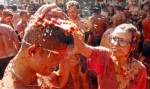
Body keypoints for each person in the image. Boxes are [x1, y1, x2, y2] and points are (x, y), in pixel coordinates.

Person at [0, 4, 74, 88]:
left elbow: (58, 81)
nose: (62, 60)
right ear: (32, 52)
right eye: (60, 54)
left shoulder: (35, 67)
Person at [73, 23, 147, 89]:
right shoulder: (104, 57)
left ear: (132, 47)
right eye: (114, 39)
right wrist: (73, 29)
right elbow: (81, 47)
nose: (115, 44)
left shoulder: (140, 70)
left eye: (122, 41)